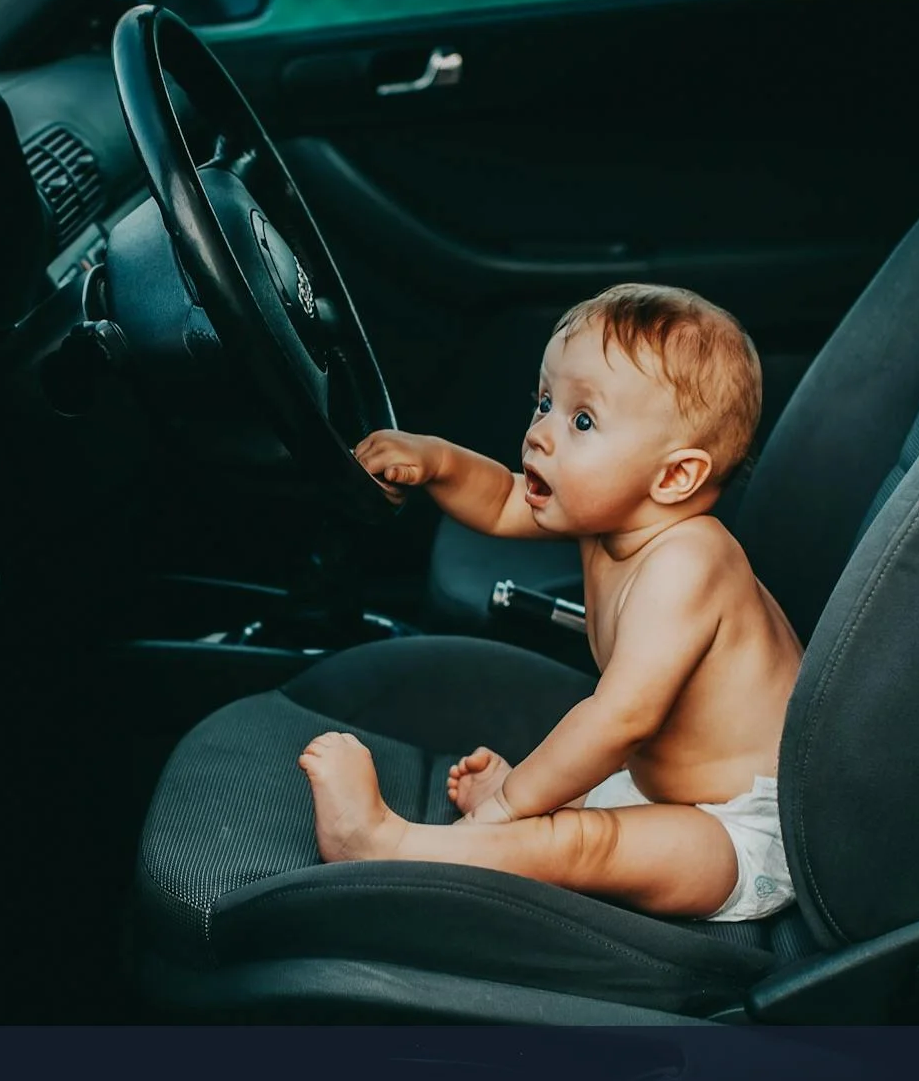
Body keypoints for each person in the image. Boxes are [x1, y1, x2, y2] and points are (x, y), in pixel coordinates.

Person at [298, 283, 802, 921]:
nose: (539, 433)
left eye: (581, 420)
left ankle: (382, 844)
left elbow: (621, 720)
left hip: (742, 830)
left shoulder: (689, 562)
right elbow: (507, 499)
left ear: (674, 477)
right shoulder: (611, 516)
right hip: (656, 789)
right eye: (544, 401)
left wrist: (509, 803)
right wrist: (435, 461)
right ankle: (526, 818)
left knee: (582, 844)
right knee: (580, 810)